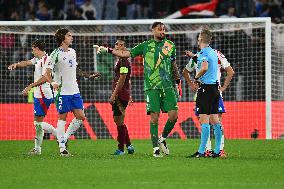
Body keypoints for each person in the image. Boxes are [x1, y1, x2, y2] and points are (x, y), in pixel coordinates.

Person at [95, 22, 180, 157]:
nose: (162, 31)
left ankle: (162, 138)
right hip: (151, 87)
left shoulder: (170, 45)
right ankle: (155, 149)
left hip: (167, 86)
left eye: (163, 29)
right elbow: (126, 54)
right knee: (154, 118)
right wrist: (108, 50)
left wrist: (178, 80)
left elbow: (173, 63)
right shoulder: (145, 46)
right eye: (159, 29)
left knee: (174, 116)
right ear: (153, 31)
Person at [44, 28, 101, 156]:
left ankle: (64, 138)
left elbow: (76, 69)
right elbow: (46, 73)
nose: (72, 37)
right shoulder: (55, 54)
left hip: (75, 90)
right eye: (69, 35)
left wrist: (88, 76)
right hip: (62, 92)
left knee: (81, 117)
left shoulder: (73, 52)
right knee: (62, 118)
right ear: (63, 38)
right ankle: (62, 149)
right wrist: (53, 82)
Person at [8, 39, 56, 155]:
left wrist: (30, 86)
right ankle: (38, 149)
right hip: (39, 94)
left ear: (37, 48)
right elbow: (28, 62)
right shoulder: (38, 59)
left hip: (43, 94)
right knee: (38, 123)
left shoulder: (47, 60)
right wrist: (16, 65)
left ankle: (59, 136)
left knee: (38, 124)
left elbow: (46, 77)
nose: (32, 51)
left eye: (33, 49)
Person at [183, 49, 234, 158]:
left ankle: (217, 150)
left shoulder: (217, 54)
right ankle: (211, 150)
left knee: (213, 120)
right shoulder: (200, 56)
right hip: (207, 91)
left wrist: (224, 87)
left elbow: (230, 70)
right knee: (209, 120)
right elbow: (186, 71)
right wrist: (191, 84)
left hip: (211, 91)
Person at [183, 28, 223, 158]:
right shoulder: (212, 52)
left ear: (200, 39)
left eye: (199, 36)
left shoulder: (204, 52)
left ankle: (201, 151)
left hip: (205, 89)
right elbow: (205, 61)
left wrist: (196, 78)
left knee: (204, 120)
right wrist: (193, 56)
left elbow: (204, 67)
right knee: (215, 120)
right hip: (215, 89)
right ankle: (217, 151)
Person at [110, 39, 135, 155]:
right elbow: (127, 81)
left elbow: (122, 79)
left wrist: (114, 94)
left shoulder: (123, 61)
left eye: (121, 45)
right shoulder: (120, 60)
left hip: (120, 94)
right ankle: (129, 145)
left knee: (119, 121)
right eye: (116, 44)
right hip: (123, 93)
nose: (118, 46)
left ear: (124, 48)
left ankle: (121, 149)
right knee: (119, 121)